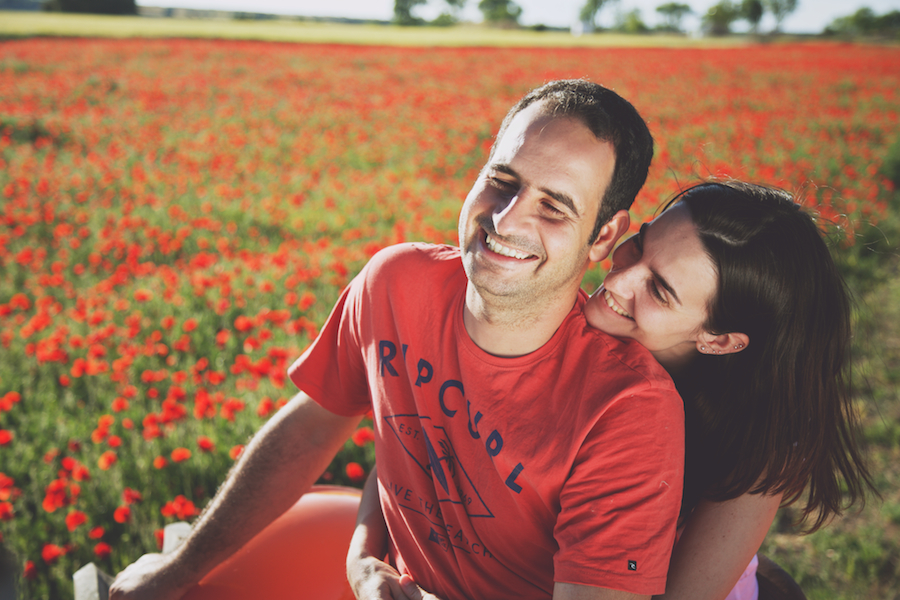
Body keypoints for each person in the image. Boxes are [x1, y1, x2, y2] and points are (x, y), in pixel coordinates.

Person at [111, 79, 685, 600]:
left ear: (604, 236)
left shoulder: (629, 408)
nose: (506, 221)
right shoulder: (395, 284)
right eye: (500, 182)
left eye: (553, 207)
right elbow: (312, 428)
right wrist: (175, 572)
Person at [346, 180, 875, 600]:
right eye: (639, 245)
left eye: (660, 289)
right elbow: (422, 437)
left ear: (718, 339)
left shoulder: (759, 442)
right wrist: (366, 552)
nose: (618, 280)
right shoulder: (553, 321)